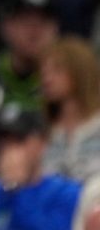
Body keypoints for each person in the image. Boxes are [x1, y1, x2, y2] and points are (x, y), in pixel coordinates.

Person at [0, 109, 81, 230]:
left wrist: (19, 191)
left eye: (18, 141)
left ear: (42, 143)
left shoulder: (67, 195)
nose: (9, 150)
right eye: (3, 142)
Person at [40, 36, 100, 181]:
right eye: (44, 72)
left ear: (80, 72)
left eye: (57, 71)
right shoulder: (42, 130)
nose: (47, 79)